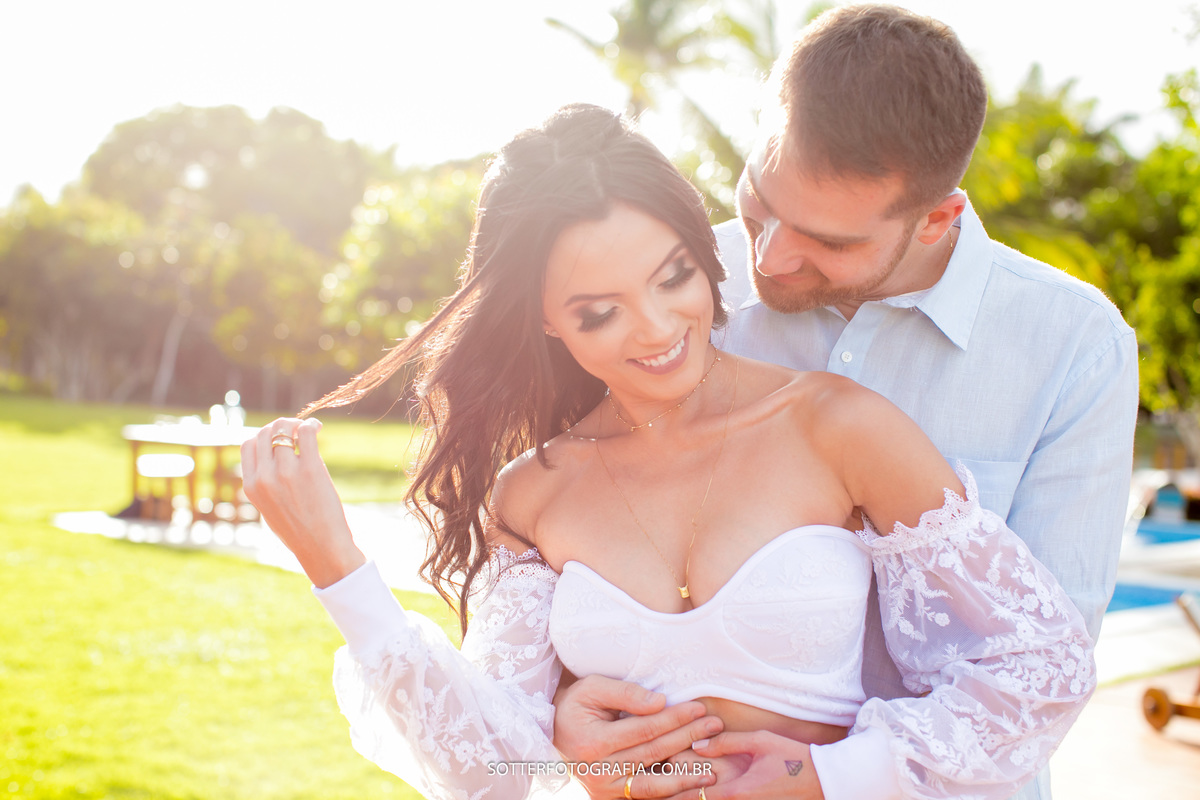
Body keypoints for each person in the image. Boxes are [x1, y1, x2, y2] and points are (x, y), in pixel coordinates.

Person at [242, 102, 1096, 800]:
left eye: (674, 276)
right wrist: (336, 566)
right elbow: (491, 769)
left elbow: (1042, 665)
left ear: (705, 254)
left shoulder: (838, 427)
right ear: (545, 318)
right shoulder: (534, 495)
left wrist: (827, 775)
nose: (655, 331)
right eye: (598, 312)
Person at [551, 5, 1138, 800]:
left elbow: (1043, 670)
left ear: (939, 218)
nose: (767, 255)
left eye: (828, 241)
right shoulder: (662, 289)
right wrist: (556, 710)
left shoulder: (1074, 346)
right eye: (761, 199)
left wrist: (824, 775)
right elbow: (560, 533)